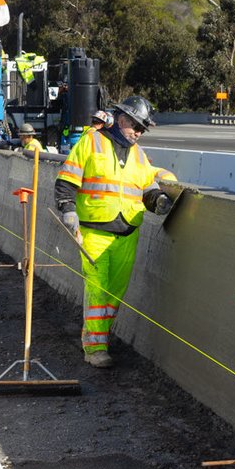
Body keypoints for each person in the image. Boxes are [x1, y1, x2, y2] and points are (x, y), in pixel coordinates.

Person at [55, 95, 176, 368]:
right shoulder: (91, 142)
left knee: (114, 294)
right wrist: (67, 209)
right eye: (136, 126)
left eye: (142, 129)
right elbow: (67, 180)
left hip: (127, 233)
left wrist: (158, 200)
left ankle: (100, 335)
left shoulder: (138, 155)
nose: (139, 133)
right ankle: (95, 348)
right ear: (122, 120)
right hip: (94, 232)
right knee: (97, 288)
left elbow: (145, 188)